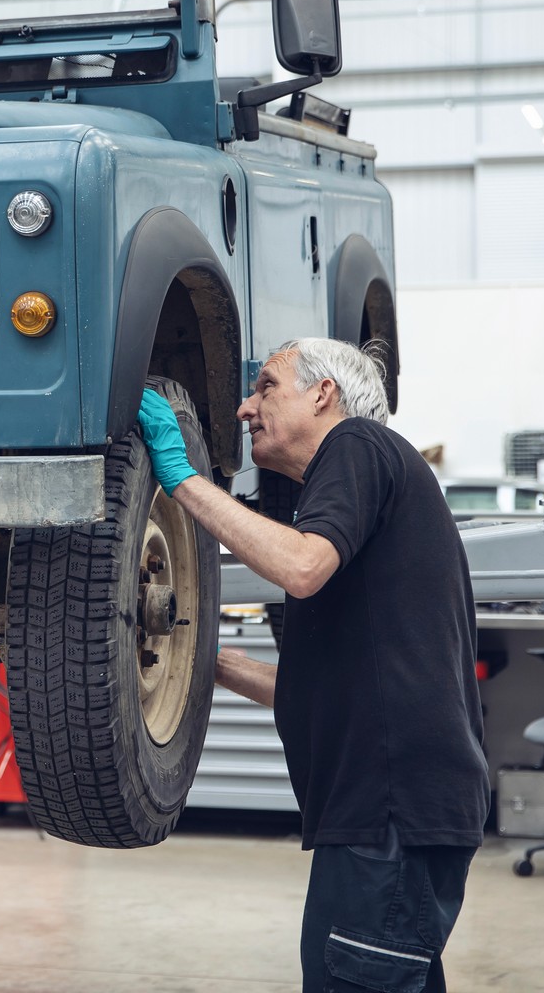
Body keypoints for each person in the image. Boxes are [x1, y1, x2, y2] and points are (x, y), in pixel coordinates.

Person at [136, 338, 488, 993]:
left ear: (324, 393)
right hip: (401, 818)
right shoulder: (374, 492)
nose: (245, 408)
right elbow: (330, 689)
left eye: (266, 386)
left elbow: (300, 567)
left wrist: (183, 480)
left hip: (390, 820)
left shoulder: (357, 444)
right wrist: (207, 663)